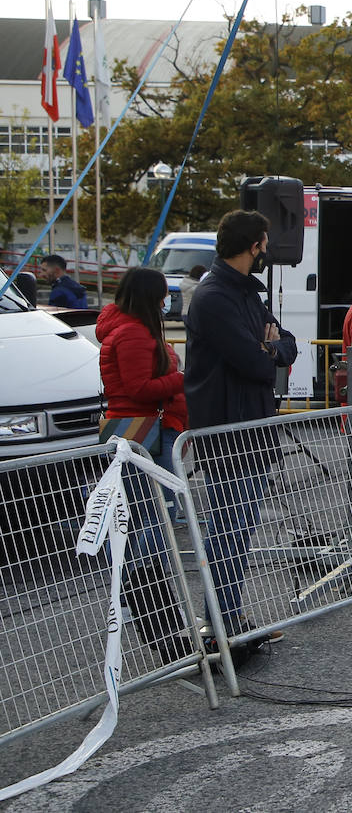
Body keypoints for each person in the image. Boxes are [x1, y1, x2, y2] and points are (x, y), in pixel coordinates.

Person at [184, 210, 298, 641]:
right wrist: (269, 350)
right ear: (255, 246)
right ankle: (220, 621)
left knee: (239, 530)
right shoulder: (214, 296)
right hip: (228, 429)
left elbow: (286, 344)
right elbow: (256, 361)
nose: (268, 252)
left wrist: (270, 348)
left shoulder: (246, 293)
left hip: (251, 425)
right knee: (228, 531)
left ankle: (229, 617)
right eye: (266, 244)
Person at [96, 266, 194, 664]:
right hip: (142, 433)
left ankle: (140, 578)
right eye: (163, 295)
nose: (167, 301)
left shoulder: (125, 328)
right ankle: (137, 579)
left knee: (150, 517)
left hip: (142, 430)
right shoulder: (135, 332)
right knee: (155, 519)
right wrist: (182, 379)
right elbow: (139, 388)